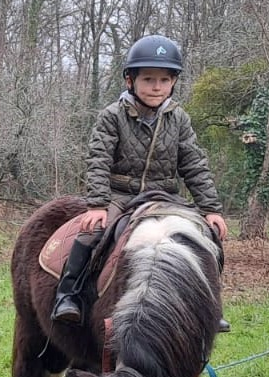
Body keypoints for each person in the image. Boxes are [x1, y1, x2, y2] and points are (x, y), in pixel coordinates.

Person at [52, 34, 229, 326]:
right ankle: (67, 295)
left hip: (165, 199)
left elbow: (194, 164)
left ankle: (211, 306)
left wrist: (211, 209)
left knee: (209, 237)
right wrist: (97, 204)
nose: (156, 87)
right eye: (148, 79)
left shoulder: (179, 118)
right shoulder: (112, 116)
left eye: (164, 80)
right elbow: (98, 160)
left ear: (173, 82)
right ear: (130, 80)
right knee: (90, 234)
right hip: (120, 195)